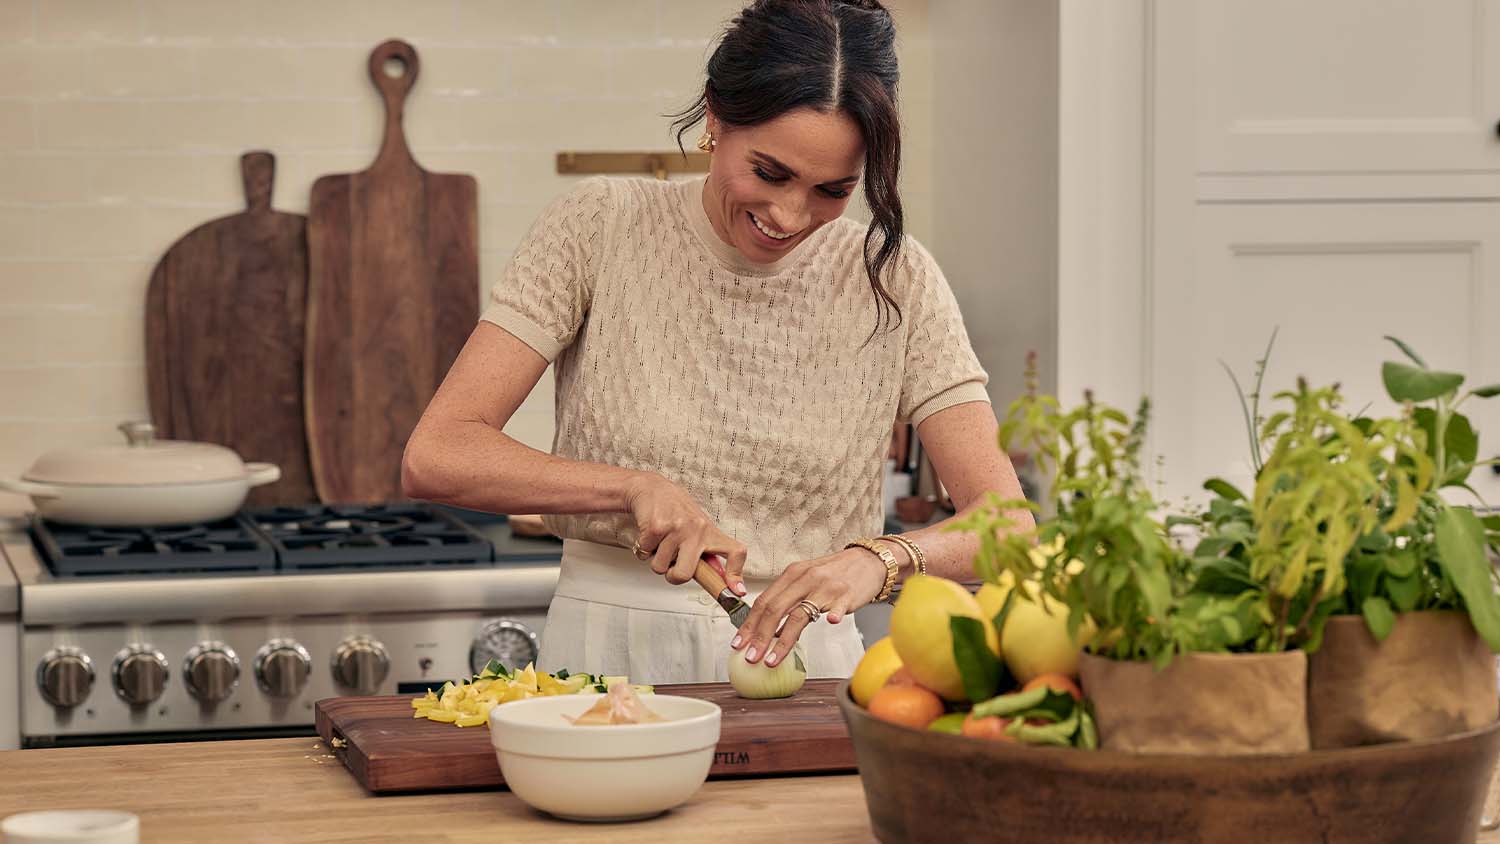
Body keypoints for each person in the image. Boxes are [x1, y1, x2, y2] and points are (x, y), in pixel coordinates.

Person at [402, 0, 1032, 684]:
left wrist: (879, 560)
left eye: (832, 190)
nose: (790, 216)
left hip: (811, 670)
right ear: (714, 118)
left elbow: (1007, 526)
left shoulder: (897, 278)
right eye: (769, 173)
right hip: (610, 657)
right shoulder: (600, 227)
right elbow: (439, 453)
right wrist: (631, 488)